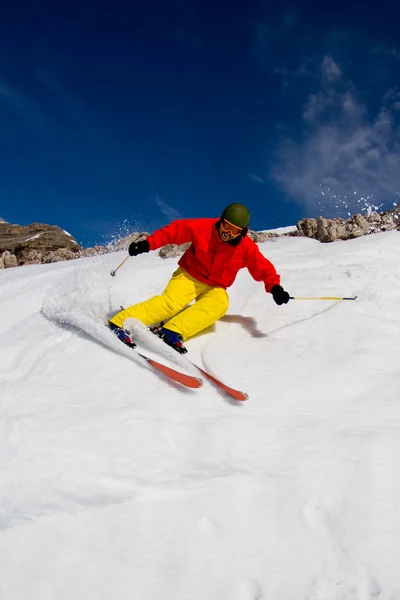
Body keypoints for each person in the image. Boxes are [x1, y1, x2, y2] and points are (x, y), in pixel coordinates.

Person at [109, 203, 290, 353]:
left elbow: (263, 268)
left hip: (215, 286)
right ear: (221, 221)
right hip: (189, 275)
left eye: (234, 231)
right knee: (170, 303)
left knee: (219, 304)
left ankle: (173, 330)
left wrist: (275, 288)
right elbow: (174, 231)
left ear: (242, 232)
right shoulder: (204, 228)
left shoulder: (246, 248)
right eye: (226, 226)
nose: (227, 233)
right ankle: (120, 322)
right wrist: (148, 243)